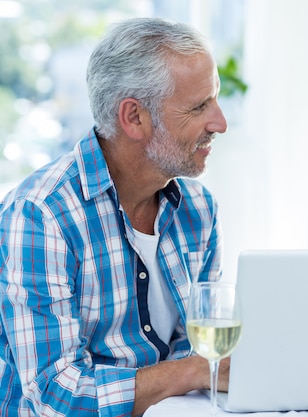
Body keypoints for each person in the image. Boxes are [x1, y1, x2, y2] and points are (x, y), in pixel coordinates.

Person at [0, 17, 230, 416]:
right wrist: (191, 371)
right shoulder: (41, 216)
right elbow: (56, 396)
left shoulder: (199, 209)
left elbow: (199, 351)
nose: (220, 123)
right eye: (199, 106)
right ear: (134, 117)